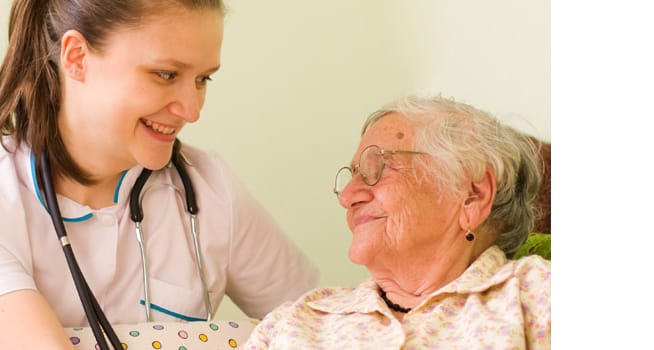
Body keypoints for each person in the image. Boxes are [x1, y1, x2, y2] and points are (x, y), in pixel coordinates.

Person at [0, 0, 319, 348]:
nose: (192, 111)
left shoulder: (211, 192)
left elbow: (321, 328)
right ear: (76, 57)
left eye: (202, 79)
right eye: (166, 75)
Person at [244, 95, 551, 349]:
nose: (348, 195)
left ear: (472, 195)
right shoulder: (294, 322)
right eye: (352, 176)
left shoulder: (535, 295)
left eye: (378, 168)